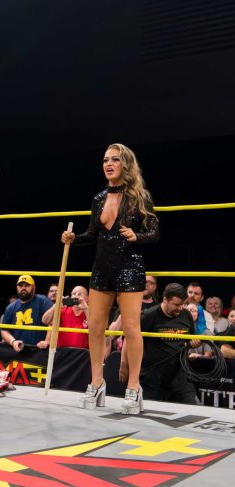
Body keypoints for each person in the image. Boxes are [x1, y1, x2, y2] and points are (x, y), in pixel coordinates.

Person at [61, 143, 159, 415]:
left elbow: (155, 233)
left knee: (131, 328)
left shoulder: (140, 197)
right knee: (94, 327)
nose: (108, 164)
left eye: (115, 159)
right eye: (105, 160)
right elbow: (92, 235)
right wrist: (73, 238)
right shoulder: (99, 198)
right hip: (101, 269)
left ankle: (134, 388)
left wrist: (137, 236)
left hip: (130, 267)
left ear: (125, 164)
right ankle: (96, 383)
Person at [136, 283, 200, 404]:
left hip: (178, 374)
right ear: (165, 299)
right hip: (153, 377)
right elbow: (131, 340)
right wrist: (124, 365)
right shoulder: (149, 316)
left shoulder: (186, 314)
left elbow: (189, 340)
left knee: (192, 408)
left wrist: (193, 343)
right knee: (151, 412)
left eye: (183, 304)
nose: (180, 308)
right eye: (176, 305)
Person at [0, 275, 53, 352]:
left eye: (27, 285)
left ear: (34, 287)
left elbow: (52, 322)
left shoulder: (43, 301)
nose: (23, 288)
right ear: (17, 287)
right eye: (20, 285)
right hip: (18, 350)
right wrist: (13, 342)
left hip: (40, 350)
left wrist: (47, 341)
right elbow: (4, 330)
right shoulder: (11, 307)